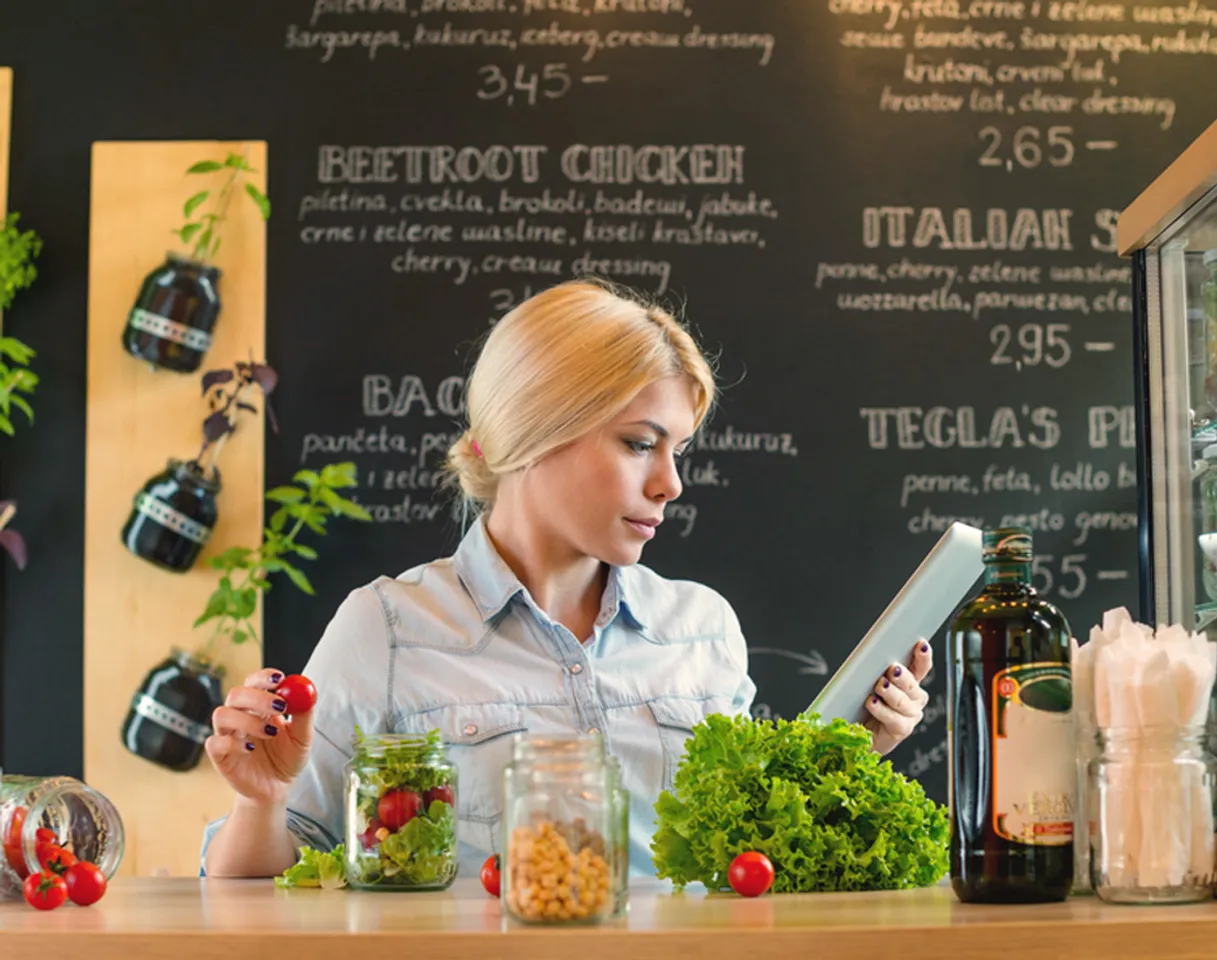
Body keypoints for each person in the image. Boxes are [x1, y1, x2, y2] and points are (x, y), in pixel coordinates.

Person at [200, 280, 933, 880]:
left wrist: (854, 748)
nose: (671, 484)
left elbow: (747, 856)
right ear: (533, 431)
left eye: (676, 450)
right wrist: (260, 804)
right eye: (641, 444)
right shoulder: (388, 628)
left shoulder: (702, 628)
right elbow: (265, 882)